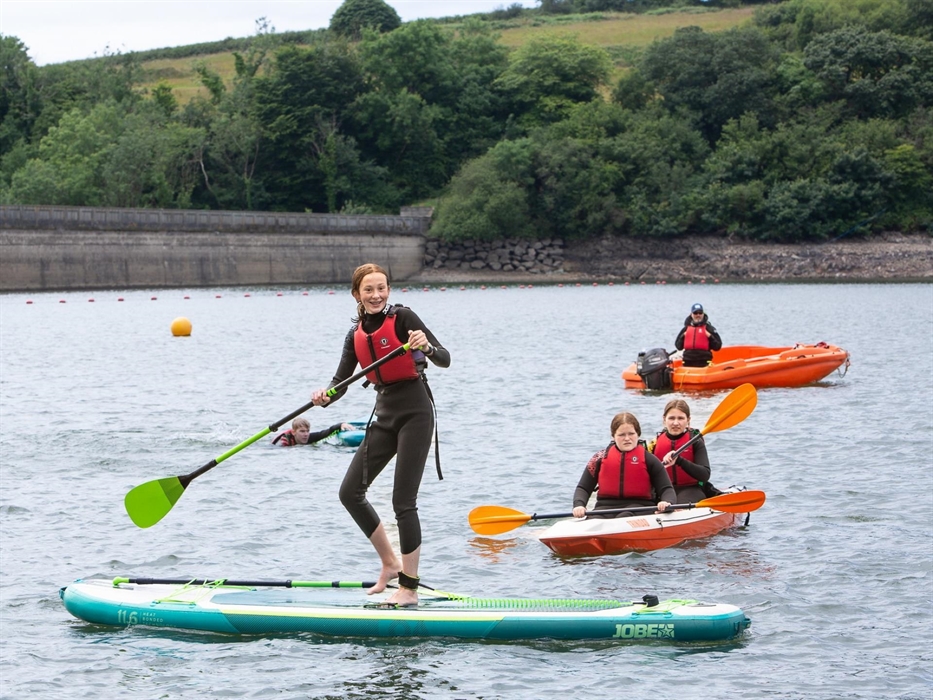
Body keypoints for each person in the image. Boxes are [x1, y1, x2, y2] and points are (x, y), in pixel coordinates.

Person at [311, 263, 449, 608]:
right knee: (350, 492)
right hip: (384, 415)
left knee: (403, 502)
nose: (376, 295)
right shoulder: (355, 334)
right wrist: (325, 397)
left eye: (382, 288)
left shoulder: (403, 318)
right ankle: (390, 563)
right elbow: (340, 382)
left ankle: (409, 589)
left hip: (415, 414)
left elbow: (444, 358)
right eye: (368, 290)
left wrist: (426, 347)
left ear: (389, 289)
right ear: (356, 294)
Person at [572, 412, 674, 519]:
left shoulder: (650, 460)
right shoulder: (599, 458)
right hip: (604, 508)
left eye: (631, 434)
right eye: (621, 435)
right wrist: (579, 505)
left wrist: (667, 502)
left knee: (625, 516)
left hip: (641, 508)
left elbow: (666, 489)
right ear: (613, 436)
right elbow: (583, 488)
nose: (627, 438)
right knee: (593, 519)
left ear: (638, 434)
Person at [648, 399, 714, 504]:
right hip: (664, 491)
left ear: (688, 420)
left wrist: (679, 460)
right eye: (671, 418)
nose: (676, 423)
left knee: (678, 507)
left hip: (691, 489)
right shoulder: (654, 443)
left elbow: (705, 475)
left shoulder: (695, 441)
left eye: (680, 418)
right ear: (664, 419)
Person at [675, 303, 722, 368]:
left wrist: (710, 336)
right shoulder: (686, 329)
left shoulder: (709, 328)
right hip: (688, 361)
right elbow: (678, 346)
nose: (698, 315)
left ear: (703, 314)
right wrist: (683, 336)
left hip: (704, 361)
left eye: (700, 313)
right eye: (695, 313)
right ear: (691, 314)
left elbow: (717, 347)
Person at [271, 417, 354, 446]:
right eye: (302, 431)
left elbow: (325, 432)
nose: (306, 434)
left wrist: (340, 425)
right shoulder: (283, 442)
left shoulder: (309, 437)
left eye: (307, 431)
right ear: (293, 432)